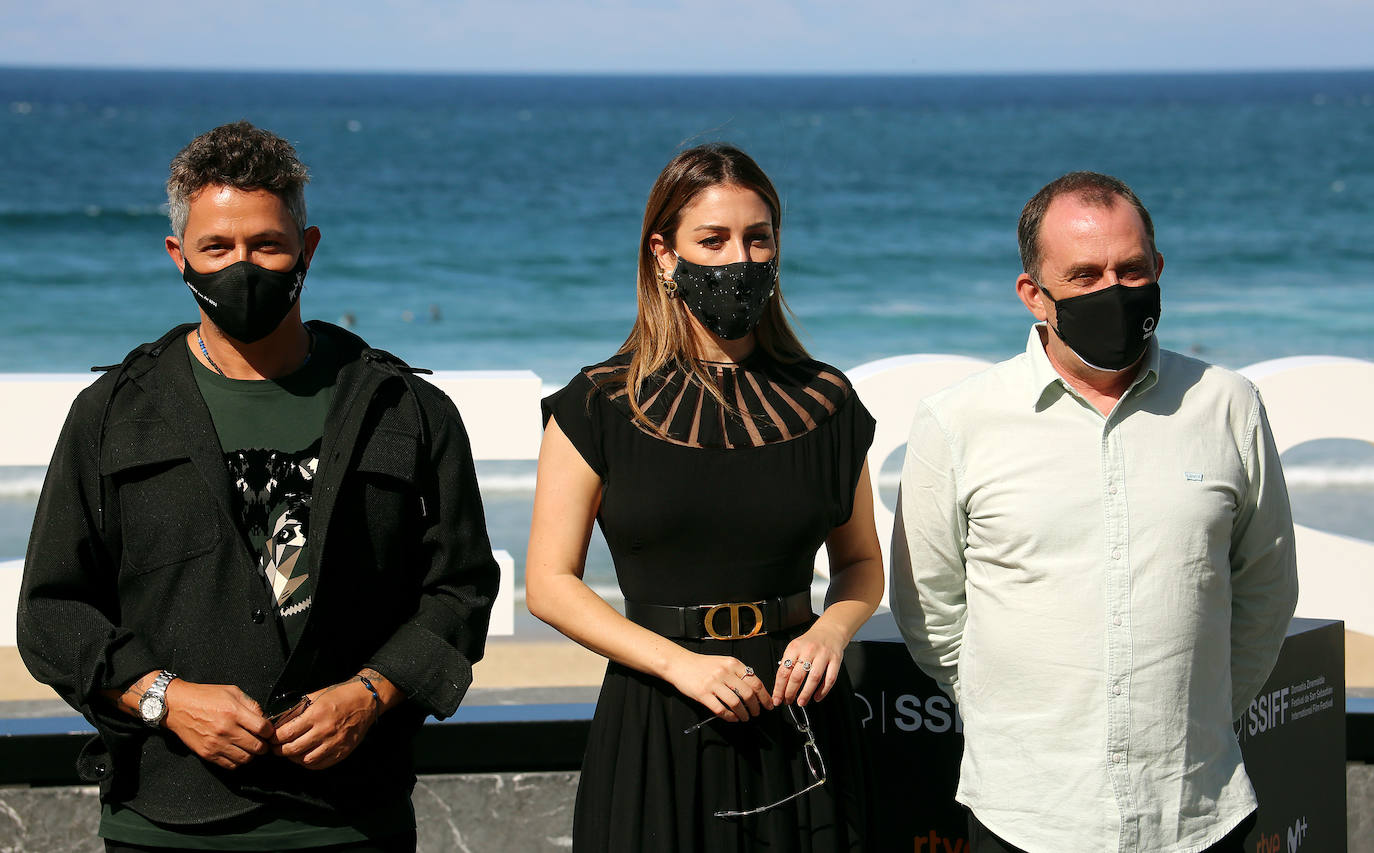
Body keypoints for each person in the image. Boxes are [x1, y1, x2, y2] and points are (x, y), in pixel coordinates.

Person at [17, 121, 500, 851]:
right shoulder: (114, 412)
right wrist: (164, 696)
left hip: (350, 821)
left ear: (306, 250)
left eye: (267, 245)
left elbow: (461, 590)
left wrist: (372, 691)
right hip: (164, 821)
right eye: (217, 247)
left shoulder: (405, 410)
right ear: (179, 257)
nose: (242, 266)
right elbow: (52, 613)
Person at [890, 171, 1299, 853]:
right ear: (1033, 295)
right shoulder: (958, 421)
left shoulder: (1228, 405)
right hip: (1025, 816)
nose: (1113, 290)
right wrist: (1010, 713)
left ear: (1158, 269)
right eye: (1084, 275)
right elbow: (929, 607)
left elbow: (1266, 586)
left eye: (1131, 268)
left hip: (1195, 813)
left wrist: (1195, 716)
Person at [526, 143, 884, 852]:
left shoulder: (828, 401)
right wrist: (678, 663)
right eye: (712, 240)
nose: (739, 260)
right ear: (663, 254)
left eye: (758, 238)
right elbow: (549, 583)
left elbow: (861, 565)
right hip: (657, 712)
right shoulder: (598, 402)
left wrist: (829, 631)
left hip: (799, 716)